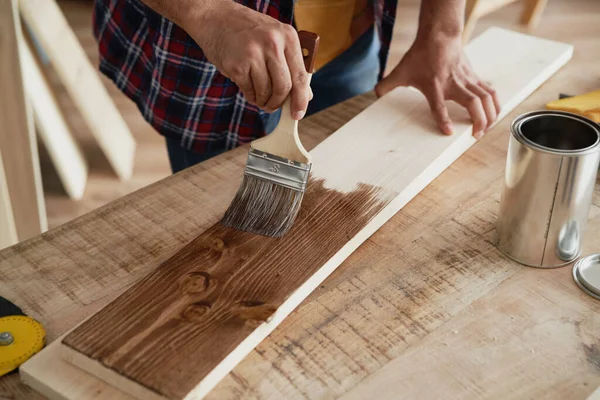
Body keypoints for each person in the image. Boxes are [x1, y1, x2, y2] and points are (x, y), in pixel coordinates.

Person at [93, 0, 500, 173]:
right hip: (210, 59)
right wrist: (207, 11)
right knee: (217, 233)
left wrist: (443, 29)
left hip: (353, 39)